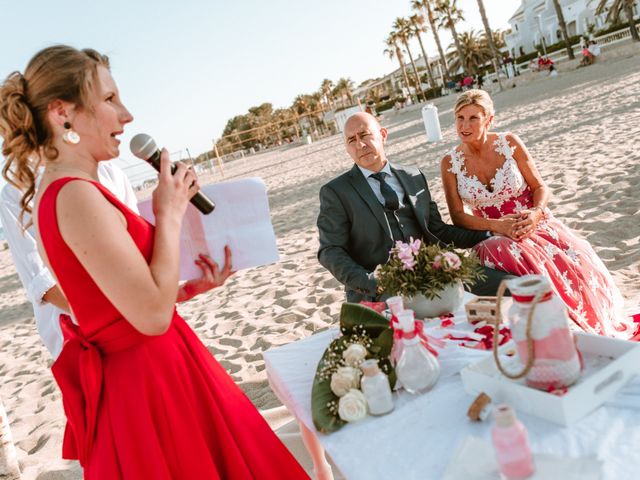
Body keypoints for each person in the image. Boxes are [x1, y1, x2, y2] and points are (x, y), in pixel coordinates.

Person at [0, 45, 308, 478]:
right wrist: (169, 213)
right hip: (149, 384)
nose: (126, 116)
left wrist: (184, 289)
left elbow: (112, 302)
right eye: (109, 100)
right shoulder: (74, 194)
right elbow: (150, 317)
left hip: (155, 369)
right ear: (62, 112)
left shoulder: (71, 188)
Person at [440, 89, 638, 339]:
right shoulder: (450, 162)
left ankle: (573, 320)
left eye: (473, 118)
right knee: (499, 248)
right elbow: (458, 216)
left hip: (532, 222)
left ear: (489, 120)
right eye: (460, 117)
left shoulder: (509, 143)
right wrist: (496, 227)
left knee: (575, 250)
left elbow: (540, 187)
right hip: (491, 232)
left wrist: (535, 213)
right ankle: (546, 321)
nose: (464, 125)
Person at [317, 112, 509, 304]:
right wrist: (373, 282)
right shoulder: (336, 192)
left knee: (512, 287)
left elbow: (438, 231)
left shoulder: (413, 176)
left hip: (435, 272)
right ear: (347, 148)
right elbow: (330, 250)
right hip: (381, 289)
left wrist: (490, 234)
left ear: (383, 134)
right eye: (352, 140)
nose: (359, 144)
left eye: (364, 135)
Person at [0, 162, 138, 359]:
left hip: (138, 319)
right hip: (84, 337)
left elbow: (139, 251)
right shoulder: (16, 193)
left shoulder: (109, 171)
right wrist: (113, 318)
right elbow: (42, 283)